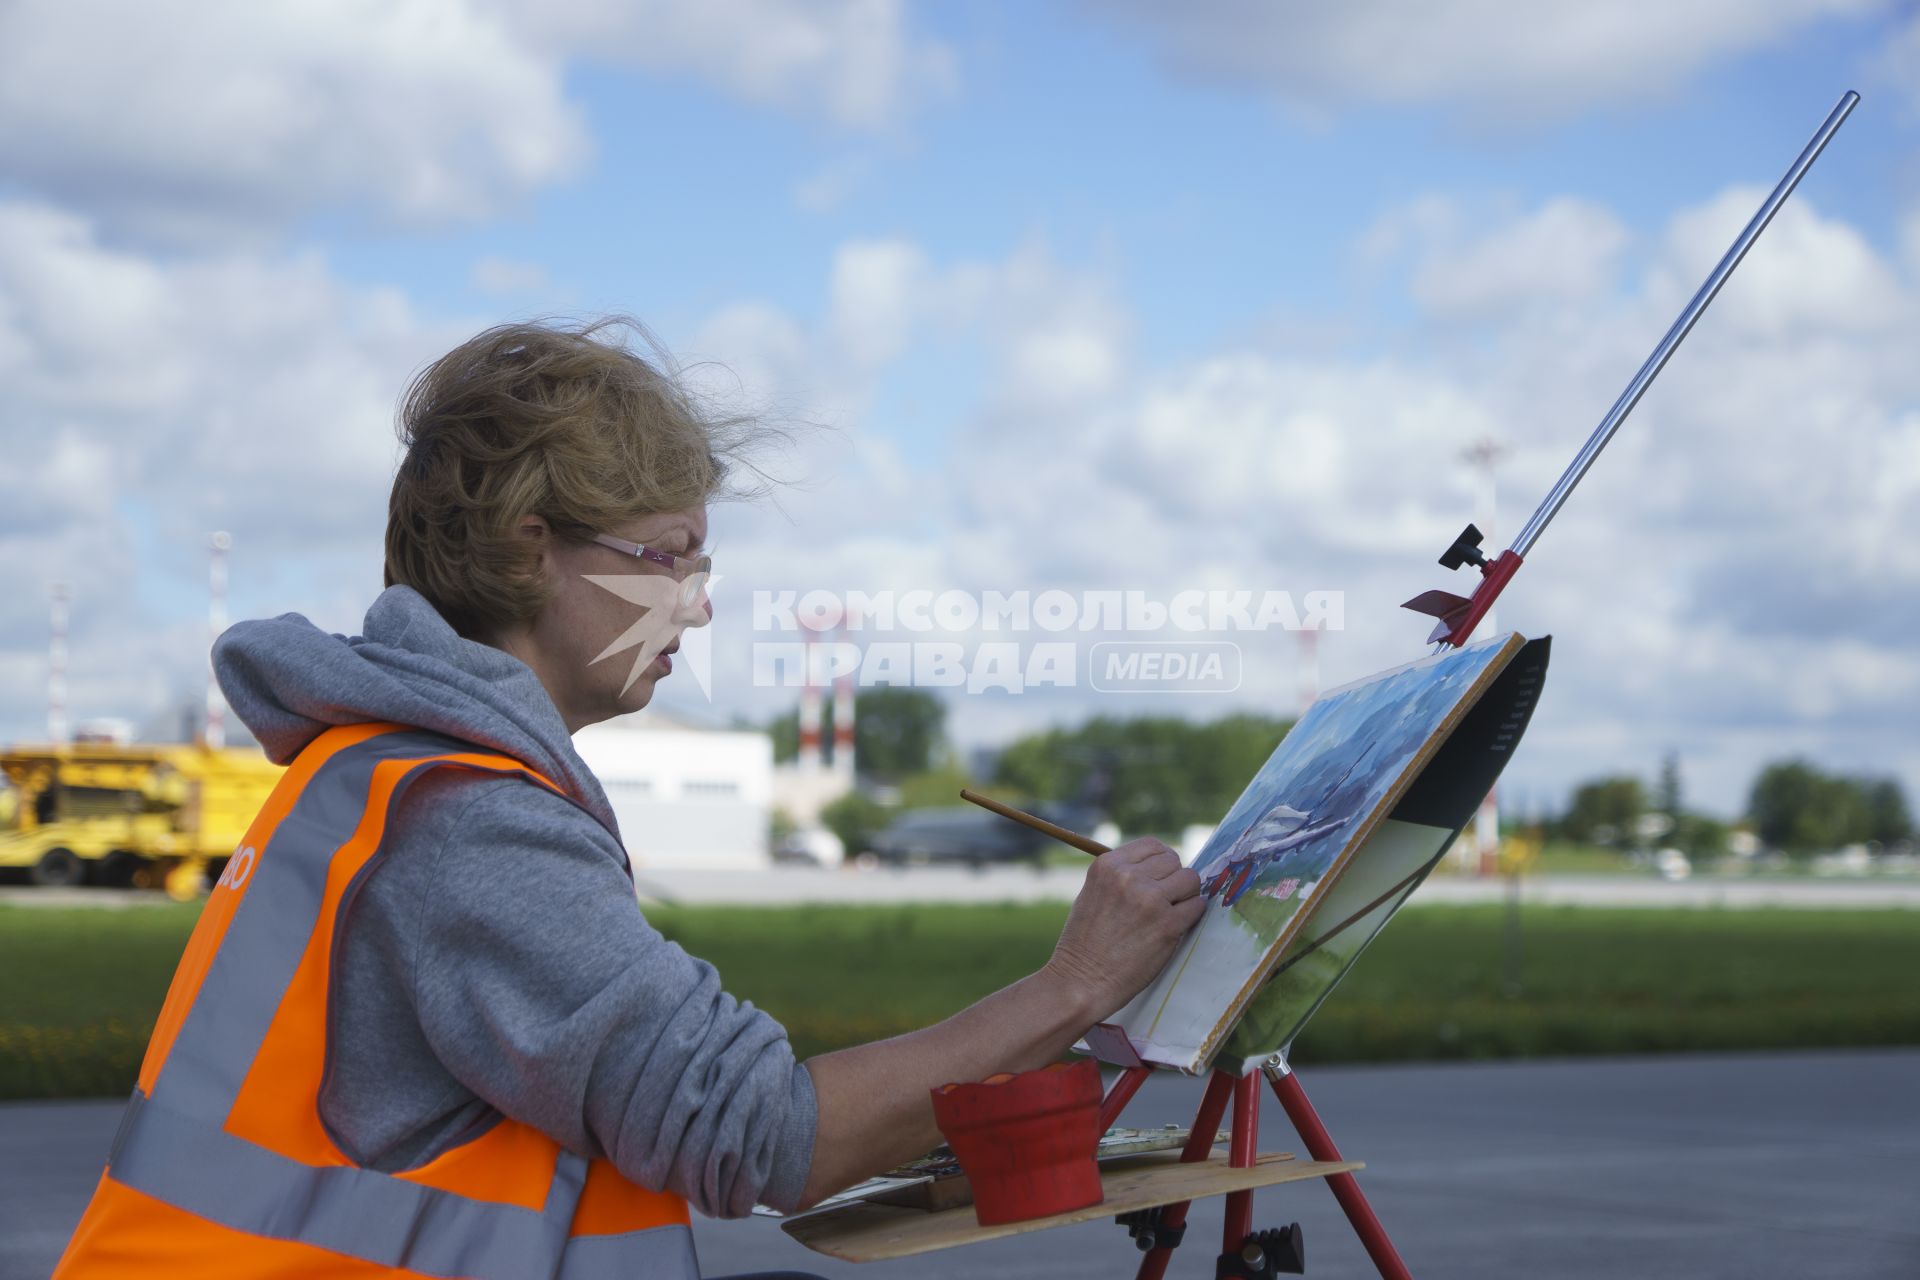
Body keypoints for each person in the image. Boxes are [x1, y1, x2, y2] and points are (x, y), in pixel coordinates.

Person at [54, 318, 1205, 1278]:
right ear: (531, 548)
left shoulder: (377, 763)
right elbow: (768, 1136)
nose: (697, 608)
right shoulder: (466, 816)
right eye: (670, 557)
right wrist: (1081, 981)